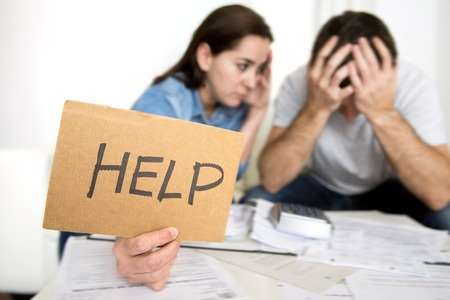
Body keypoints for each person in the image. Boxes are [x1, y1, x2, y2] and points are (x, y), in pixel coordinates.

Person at [59, 4, 273, 291]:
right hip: (98, 230)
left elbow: (223, 179)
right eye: (243, 66)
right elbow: (133, 204)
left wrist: (258, 111)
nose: (251, 82)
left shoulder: (234, 107)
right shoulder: (163, 102)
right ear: (206, 56)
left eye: (259, 70)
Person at [251, 11, 450, 230]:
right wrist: (317, 108)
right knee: (256, 202)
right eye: (341, 103)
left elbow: (440, 194)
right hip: (322, 187)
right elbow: (271, 179)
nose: (349, 116)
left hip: (390, 189)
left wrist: (382, 112)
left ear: (391, 73)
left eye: (359, 100)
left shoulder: (414, 84)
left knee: (445, 215)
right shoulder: (299, 82)